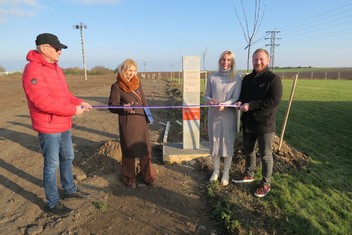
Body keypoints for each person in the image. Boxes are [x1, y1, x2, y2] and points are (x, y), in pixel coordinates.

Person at [22, 33, 92, 216]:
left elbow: (65, 95)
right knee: (52, 164)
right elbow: (43, 102)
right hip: (49, 126)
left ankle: (70, 190)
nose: (60, 52)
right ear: (44, 48)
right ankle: (52, 203)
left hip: (64, 124)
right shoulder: (33, 70)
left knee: (68, 157)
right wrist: (72, 110)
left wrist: (79, 102)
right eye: (57, 48)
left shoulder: (56, 69)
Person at [232, 48, 283, 198]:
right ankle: (249, 174)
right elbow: (242, 96)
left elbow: (274, 101)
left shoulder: (273, 79)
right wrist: (240, 101)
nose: (258, 62)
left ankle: (266, 183)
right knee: (248, 151)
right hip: (248, 122)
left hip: (264, 124)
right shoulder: (247, 79)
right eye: (255, 59)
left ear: (268, 61)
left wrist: (251, 105)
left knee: (265, 155)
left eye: (261, 59)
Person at [108, 59, 155, 189]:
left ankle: (148, 176)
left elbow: (144, 102)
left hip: (141, 121)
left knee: (146, 150)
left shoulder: (138, 84)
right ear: (123, 70)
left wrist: (149, 117)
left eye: (134, 71)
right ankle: (129, 178)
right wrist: (124, 107)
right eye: (129, 70)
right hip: (128, 122)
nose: (131, 73)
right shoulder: (116, 86)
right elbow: (112, 106)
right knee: (129, 151)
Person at [204, 50, 242, 186]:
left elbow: (236, 97)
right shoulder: (212, 77)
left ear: (232, 62)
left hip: (228, 115)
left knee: (227, 143)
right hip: (214, 114)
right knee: (214, 142)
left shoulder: (237, 78)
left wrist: (224, 104)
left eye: (228, 60)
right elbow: (206, 95)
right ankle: (215, 171)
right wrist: (211, 101)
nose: (225, 62)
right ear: (219, 60)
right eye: (223, 59)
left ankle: (226, 172)